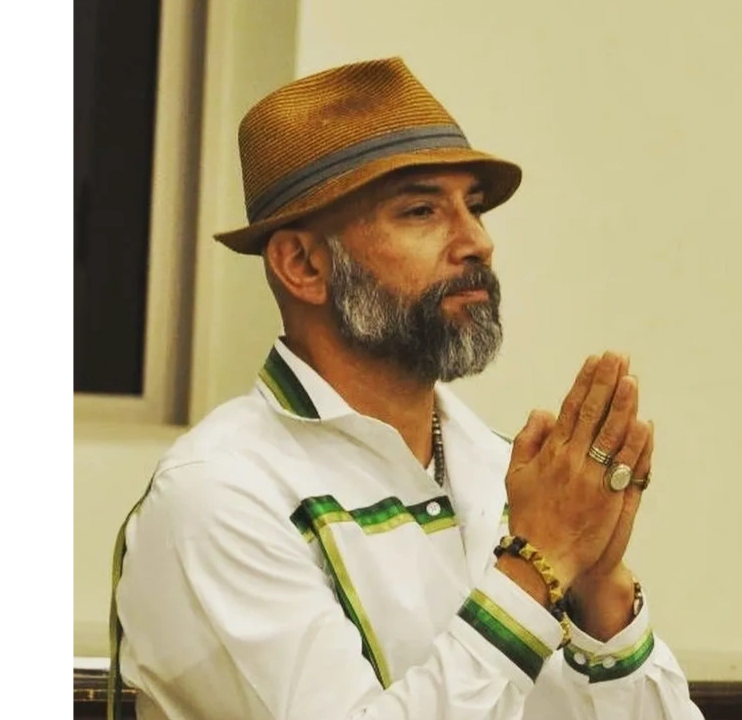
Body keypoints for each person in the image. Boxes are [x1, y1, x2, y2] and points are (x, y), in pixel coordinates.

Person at [109, 57, 706, 720]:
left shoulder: (504, 473)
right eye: (421, 210)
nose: (477, 240)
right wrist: (538, 566)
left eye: (473, 208)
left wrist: (600, 587)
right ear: (304, 264)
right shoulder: (219, 497)